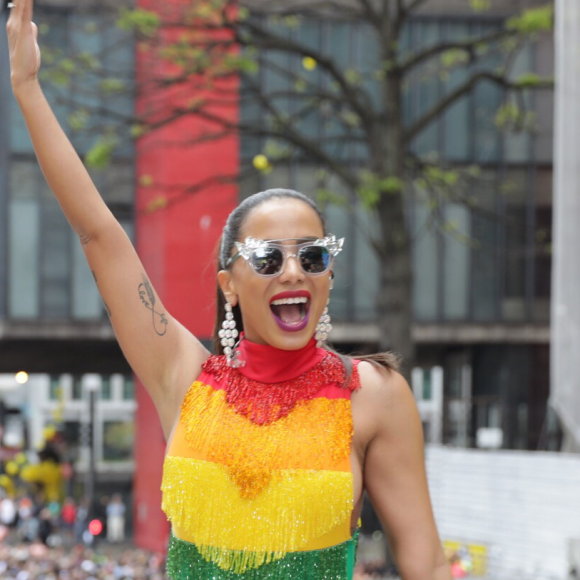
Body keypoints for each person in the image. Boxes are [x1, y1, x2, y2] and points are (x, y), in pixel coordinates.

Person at [6, 2, 452, 579]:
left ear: (329, 276)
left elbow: (428, 565)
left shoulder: (372, 394)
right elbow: (100, 236)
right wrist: (27, 89)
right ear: (230, 286)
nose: (293, 271)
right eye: (267, 258)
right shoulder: (185, 380)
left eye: (312, 255)